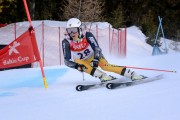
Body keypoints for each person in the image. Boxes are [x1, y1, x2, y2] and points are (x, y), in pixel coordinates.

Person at [62, 18, 146, 82]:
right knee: (79, 63)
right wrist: (77, 66)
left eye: (74, 30)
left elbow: (97, 48)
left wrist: (96, 59)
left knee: (106, 67)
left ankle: (132, 74)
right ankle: (103, 76)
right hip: (83, 61)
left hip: (94, 56)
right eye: (69, 31)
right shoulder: (66, 42)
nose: (72, 33)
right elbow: (67, 61)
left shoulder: (87, 35)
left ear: (79, 29)